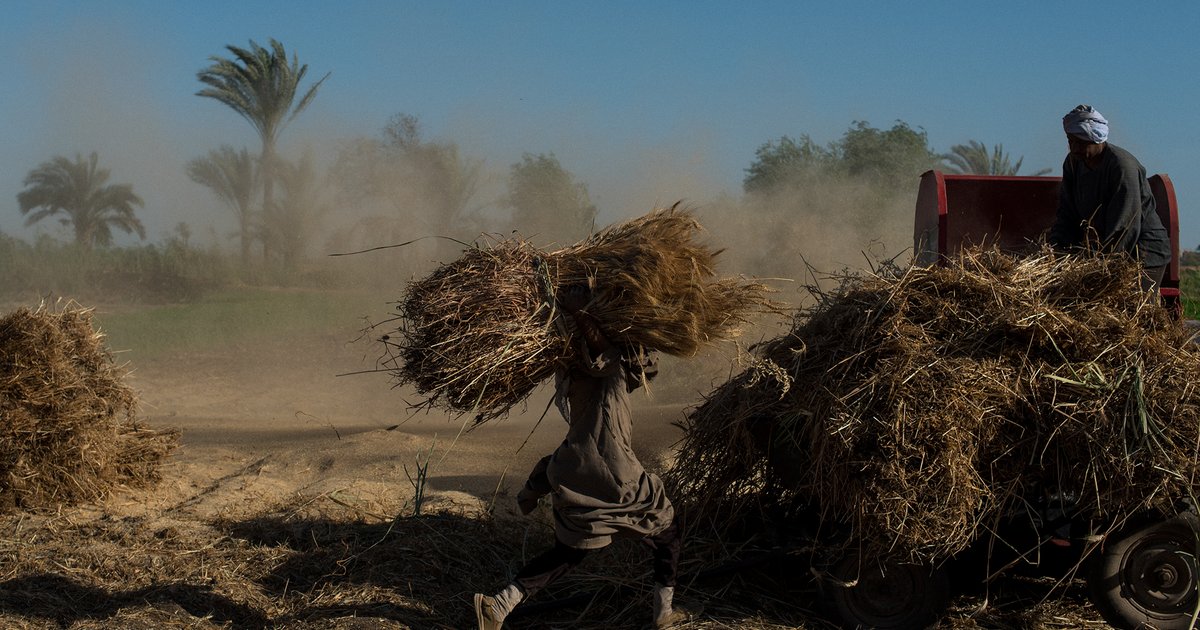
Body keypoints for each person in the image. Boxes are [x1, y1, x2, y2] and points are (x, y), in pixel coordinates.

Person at [473, 285, 689, 629]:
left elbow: (567, 457)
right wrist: (579, 311)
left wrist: (530, 494)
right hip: (617, 478)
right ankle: (663, 614)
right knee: (667, 528)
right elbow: (603, 348)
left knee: (570, 552)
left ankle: (498, 604)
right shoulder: (611, 376)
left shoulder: (574, 379)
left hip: (573, 471)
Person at [1048, 104, 1171, 292]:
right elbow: (1067, 212)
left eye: (1080, 142)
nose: (1073, 148)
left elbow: (1124, 226)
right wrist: (1056, 249)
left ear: (1096, 138)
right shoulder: (1073, 163)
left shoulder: (1122, 167)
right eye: (1070, 141)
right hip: (1103, 253)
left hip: (1141, 253)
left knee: (1135, 312)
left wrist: (1102, 268)